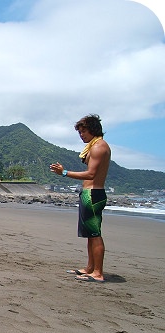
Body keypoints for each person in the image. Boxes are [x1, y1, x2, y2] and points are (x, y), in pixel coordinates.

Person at [50, 114, 111, 282]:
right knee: (90, 234)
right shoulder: (94, 146)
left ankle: (98, 273)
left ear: (93, 130)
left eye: (84, 131)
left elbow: (91, 173)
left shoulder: (99, 147)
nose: (81, 135)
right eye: (80, 132)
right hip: (89, 194)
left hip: (93, 194)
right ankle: (90, 267)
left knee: (95, 234)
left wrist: (63, 172)